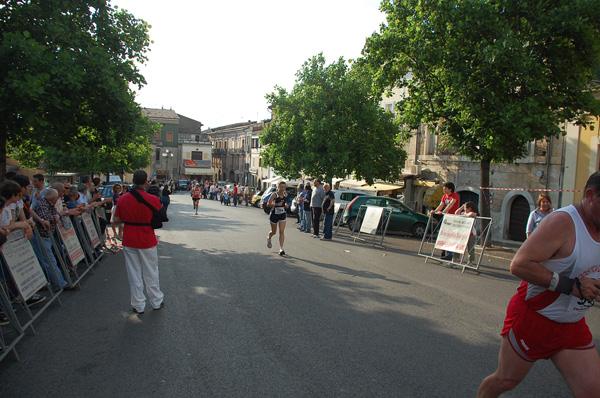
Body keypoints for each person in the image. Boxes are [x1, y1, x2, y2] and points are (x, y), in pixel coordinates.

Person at [477, 171, 600, 398]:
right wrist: (572, 286)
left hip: (572, 326)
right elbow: (519, 265)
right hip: (534, 320)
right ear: (591, 195)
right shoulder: (563, 222)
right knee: (505, 380)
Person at [113, 170, 165, 314]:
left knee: (133, 272)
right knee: (151, 271)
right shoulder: (152, 199)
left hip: (130, 237)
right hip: (146, 237)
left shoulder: (122, 199)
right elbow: (160, 214)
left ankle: (138, 304)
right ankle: (156, 301)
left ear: (133, 181)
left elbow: (116, 219)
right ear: (145, 181)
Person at [430, 181, 460, 260]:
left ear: (450, 189)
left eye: (446, 188)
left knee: (451, 236)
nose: (444, 189)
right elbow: (441, 205)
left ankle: (450, 254)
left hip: (453, 218)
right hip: (446, 217)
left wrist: (443, 212)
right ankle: (443, 251)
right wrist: (435, 211)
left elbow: (451, 204)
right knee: (443, 234)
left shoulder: (455, 196)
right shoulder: (444, 196)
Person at [266, 181, 289, 256]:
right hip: (274, 215)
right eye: (281, 187)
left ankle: (281, 249)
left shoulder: (285, 194)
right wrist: (276, 204)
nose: (283, 189)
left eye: (284, 187)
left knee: (281, 231)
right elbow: (268, 204)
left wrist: (285, 205)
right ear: (278, 187)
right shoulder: (274, 195)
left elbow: (284, 202)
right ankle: (269, 238)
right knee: (274, 232)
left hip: (282, 214)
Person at [455, 201, 478, 266]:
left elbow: (471, 214)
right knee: (458, 246)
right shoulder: (462, 212)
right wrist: (462, 207)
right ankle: (454, 260)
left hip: (471, 233)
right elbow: (456, 213)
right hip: (462, 233)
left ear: (470, 208)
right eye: (465, 208)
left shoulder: (473, 213)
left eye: (466, 208)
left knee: (470, 248)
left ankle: (470, 262)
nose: (465, 209)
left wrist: (465, 215)